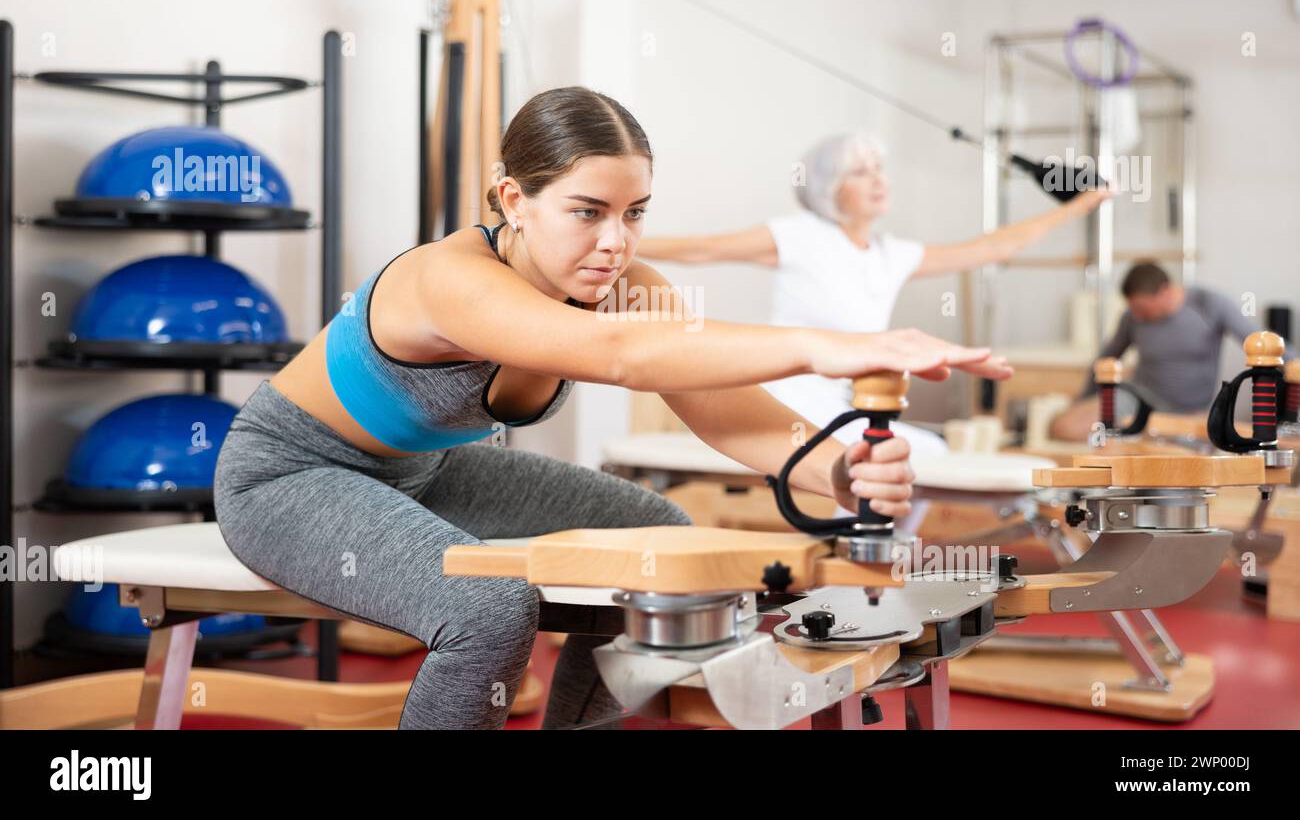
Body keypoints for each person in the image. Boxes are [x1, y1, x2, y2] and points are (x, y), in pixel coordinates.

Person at [212, 87, 1011, 730]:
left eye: (635, 214)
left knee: (653, 543)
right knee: (490, 610)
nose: (615, 243)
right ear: (512, 199)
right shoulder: (448, 279)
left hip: (421, 475)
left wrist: (838, 467)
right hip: (289, 477)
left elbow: (722, 407)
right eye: (587, 211)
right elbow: (623, 355)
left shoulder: (617, 281)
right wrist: (825, 346)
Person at [636, 131, 1110, 457]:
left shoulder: (892, 254)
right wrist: (622, 241)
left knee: (927, 452)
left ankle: (873, 553)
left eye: (879, 168)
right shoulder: (798, 235)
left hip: (839, 401)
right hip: (785, 396)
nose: (879, 180)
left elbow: (993, 247)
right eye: (861, 172)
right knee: (902, 455)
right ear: (830, 188)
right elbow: (702, 249)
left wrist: (1082, 206)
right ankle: (861, 555)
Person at [1050, 261, 1263, 441]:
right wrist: (1084, 400)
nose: (1137, 316)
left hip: (1191, 414)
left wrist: (1294, 369)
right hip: (1139, 400)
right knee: (1062, 426)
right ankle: (1139, 435)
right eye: (1133, 309)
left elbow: (1261, 343)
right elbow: (1105, 359)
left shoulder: (1209, 304)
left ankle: (1144, 435)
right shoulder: (1132, 317)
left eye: (1142, 309)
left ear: (1165, 292)